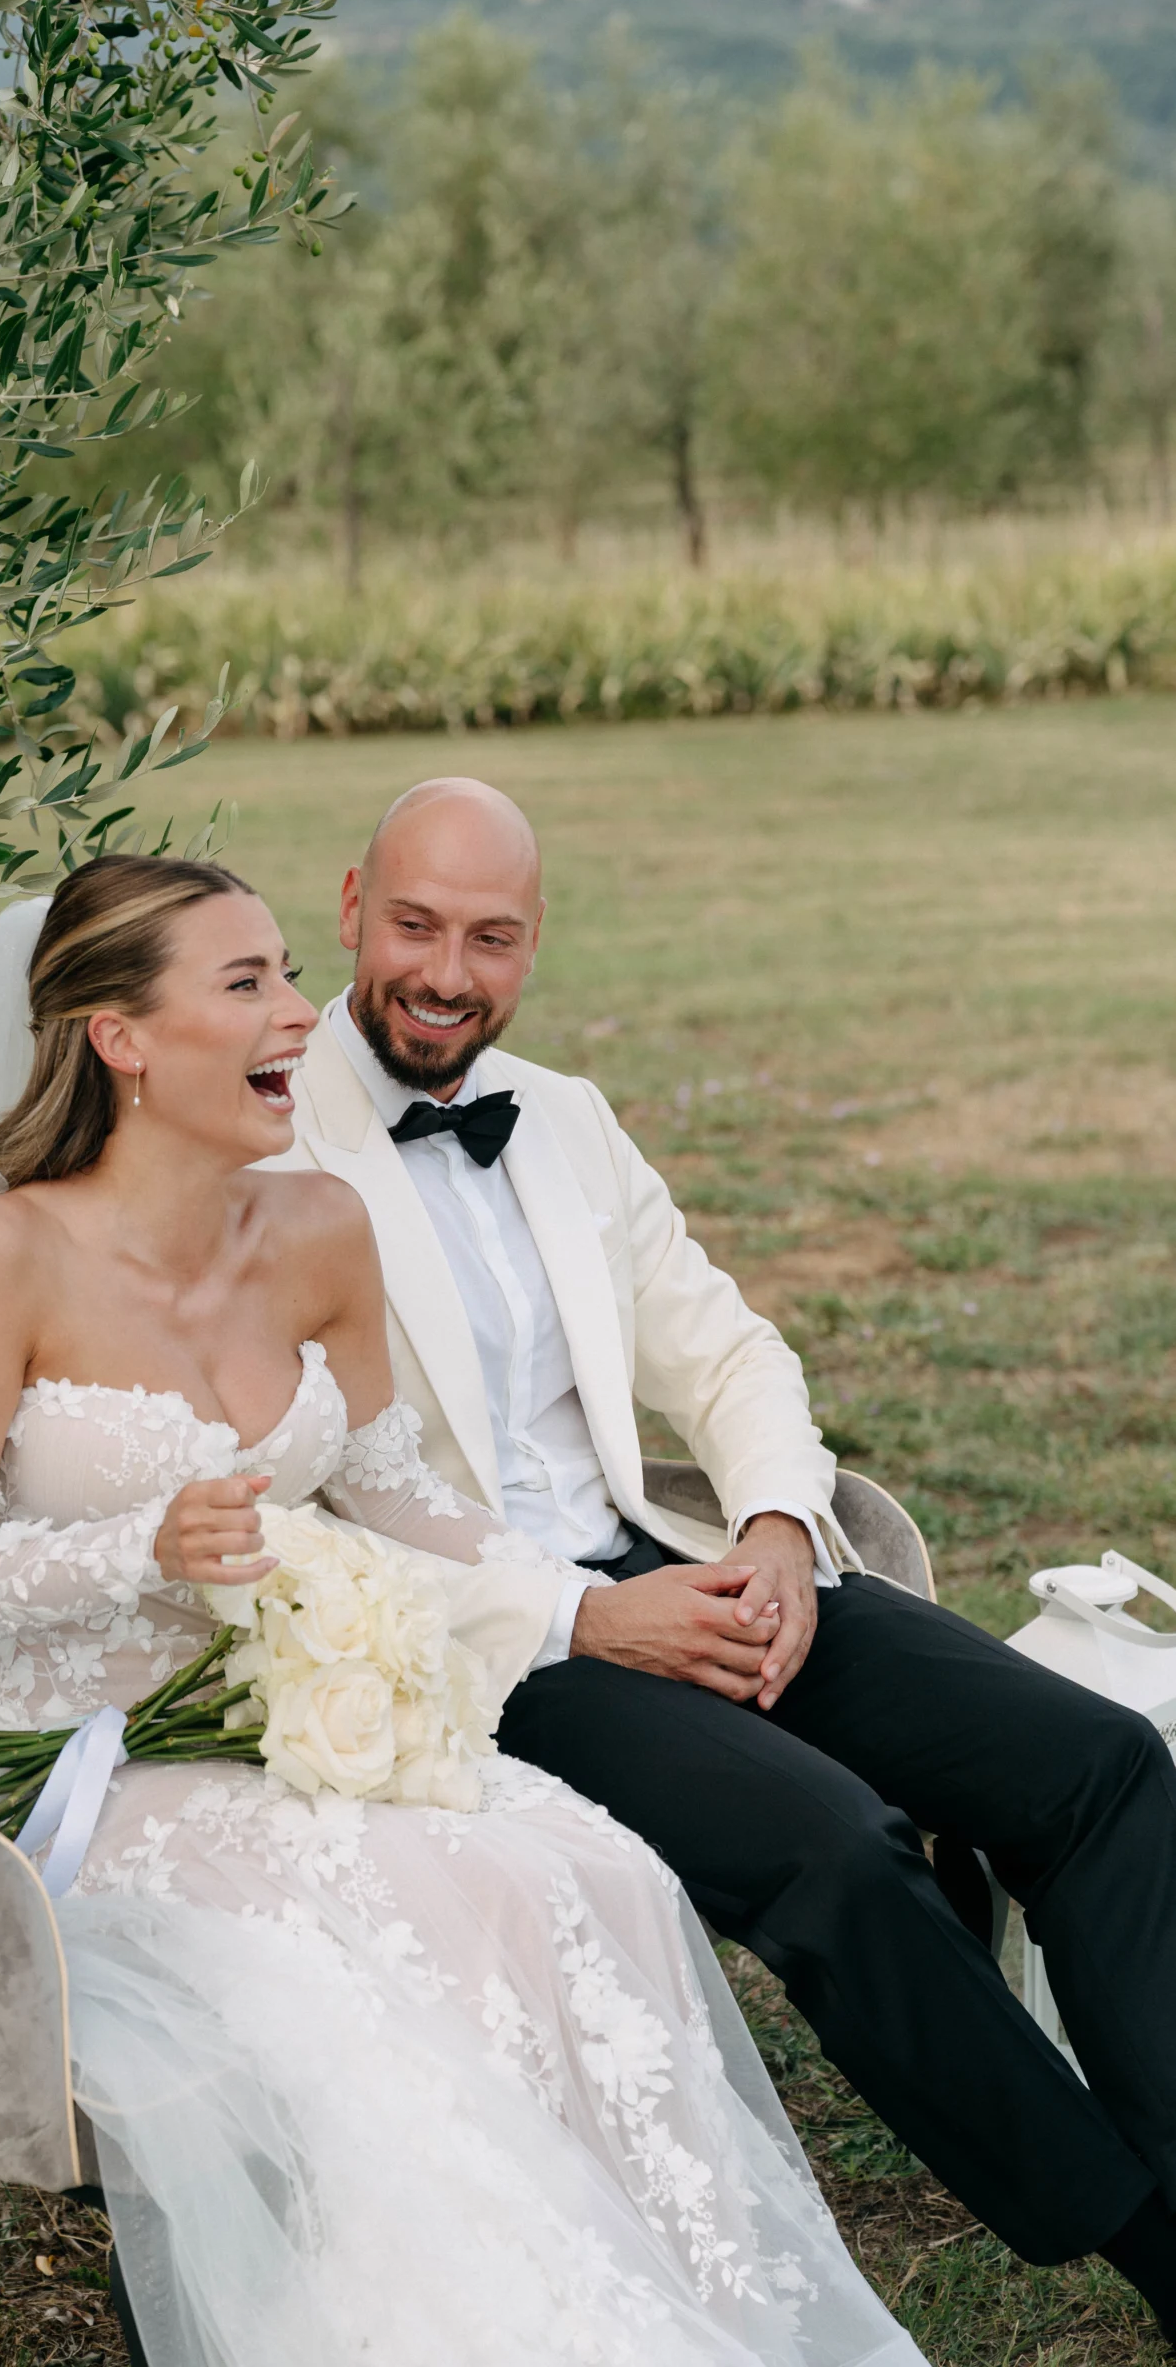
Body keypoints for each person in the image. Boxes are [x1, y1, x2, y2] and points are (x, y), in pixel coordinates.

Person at [0, 852, 928, 2367]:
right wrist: (140, 1550)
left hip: (292, 1729)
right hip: (91, 1777)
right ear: (120, 1037)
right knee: (403, 1951)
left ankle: (648, 2312)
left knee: (580, 1876)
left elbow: (389, 1491)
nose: (293, 1018)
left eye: (278, 976)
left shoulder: (316, 1225)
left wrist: (579, 1603)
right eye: (243, 984)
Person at [272, 773, 1176, 2339]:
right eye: (413, 924)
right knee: (836, 1854)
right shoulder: (267, 1140)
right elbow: (308, 1502)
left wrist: (768, 1527)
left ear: (533, 947)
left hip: (679, 1559)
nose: (445, 972)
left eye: (490, 938)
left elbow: (727, 1348)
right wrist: (586, 1615)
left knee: (1098, 1765)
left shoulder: (563, 1118)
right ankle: (1151, 2243)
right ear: (350, 908)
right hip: (495, 1640)